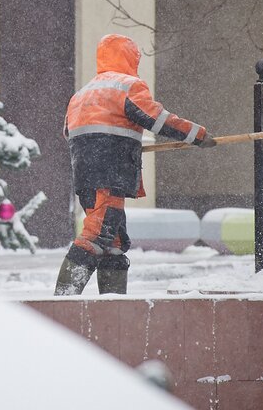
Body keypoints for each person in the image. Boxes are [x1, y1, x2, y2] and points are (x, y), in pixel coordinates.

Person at [54, 34, 215, 296]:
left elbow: (68, 132)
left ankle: (114, 302)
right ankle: (63, 299)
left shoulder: (81, 93)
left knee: (114, 240)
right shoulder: (128, 85)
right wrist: (197, 135)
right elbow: (158, 119)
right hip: (109, 171)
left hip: (85, 173)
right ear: (130, 58)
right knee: (97, 234)